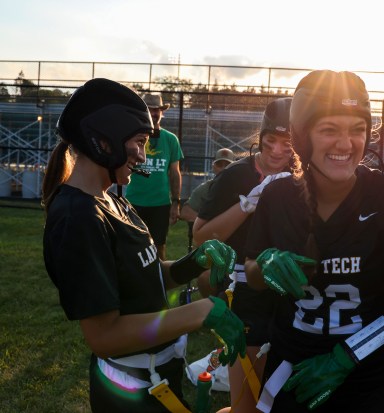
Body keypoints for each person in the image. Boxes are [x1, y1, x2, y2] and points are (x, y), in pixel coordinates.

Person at [41, 78, 245, 412]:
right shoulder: (78, 217)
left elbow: (145, 275)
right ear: (103, 139)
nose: (142, 153)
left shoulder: (112, 200)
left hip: (155, 377)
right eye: (138, 141)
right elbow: (104, 335)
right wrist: (201, 311)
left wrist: (195, 262)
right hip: (131, 388)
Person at [244, 70, 384, 413]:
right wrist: (265, 265)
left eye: (357, 130)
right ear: (302, 137)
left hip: (370, 373)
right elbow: (250, 273)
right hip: (294, 370)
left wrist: (349, 355)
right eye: (329, 130)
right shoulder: (277, 195)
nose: (346, 144)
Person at [192, 97, 294, 412]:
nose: (277, 150)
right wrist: (248, 204)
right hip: (245, 292)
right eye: (270, 141)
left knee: (283, 397)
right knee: (246, 400)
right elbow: (200, 237)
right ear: (260, 137)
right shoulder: (236, 175)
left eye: (287, 142)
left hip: (292, 292)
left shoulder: (305, 174)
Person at [125, 92, 184, 260]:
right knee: (132, 246)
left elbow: (174, 172)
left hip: (160, 204)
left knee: (159, 247)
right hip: (135, 200)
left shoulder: (170, 139)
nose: (154, 113)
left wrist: (176, 202)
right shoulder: (133, 137)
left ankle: (159, 283)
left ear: (161, 112)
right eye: (149, 110)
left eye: (157, 110)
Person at [180, 147, 236, 224]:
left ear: (235, 167)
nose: (223, 169)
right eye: (219, 164)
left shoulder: (241, 188)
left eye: (228, 165)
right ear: (213, 167)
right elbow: (186, 212)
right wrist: (210, 224)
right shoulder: (205, 189)